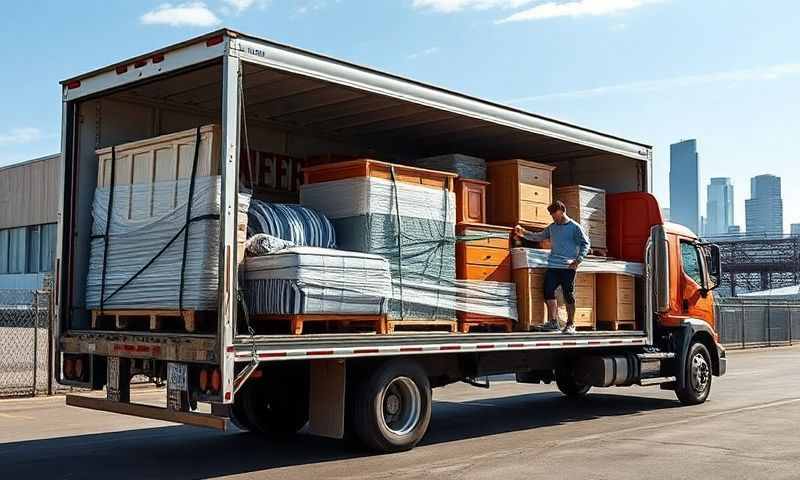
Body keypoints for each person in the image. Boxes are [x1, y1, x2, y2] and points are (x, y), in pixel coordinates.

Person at [514, 201, 590, 334]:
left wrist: (578, 260)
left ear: (561, 211)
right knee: (547, 290)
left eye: (554, 214)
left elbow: (586, 243)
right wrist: (523, 233)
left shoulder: (574, 227)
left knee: (568, 295)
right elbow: (538, 236)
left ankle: (571, 324)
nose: (552, 217)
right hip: (553, 266)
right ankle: (553, 322)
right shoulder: (552, 227)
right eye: (551, 215)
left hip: (568, 267)